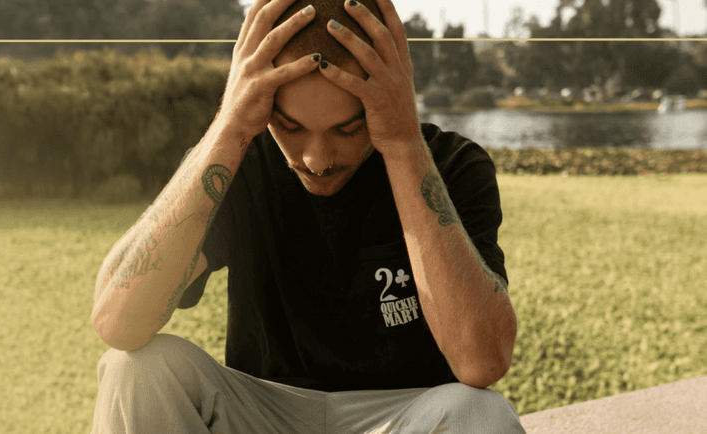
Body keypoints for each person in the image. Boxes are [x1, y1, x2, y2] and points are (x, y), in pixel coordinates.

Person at [89, 0, 526, 432]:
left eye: (348, 128)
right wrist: (229, 127)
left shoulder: (454, 165)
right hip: (261, 414)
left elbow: (481, 361)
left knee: (479, 414)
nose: (316, 160)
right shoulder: (237, 165)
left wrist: (403, 142)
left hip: (404, 416)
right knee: (138, 369)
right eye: (290, 126)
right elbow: (116, 323)